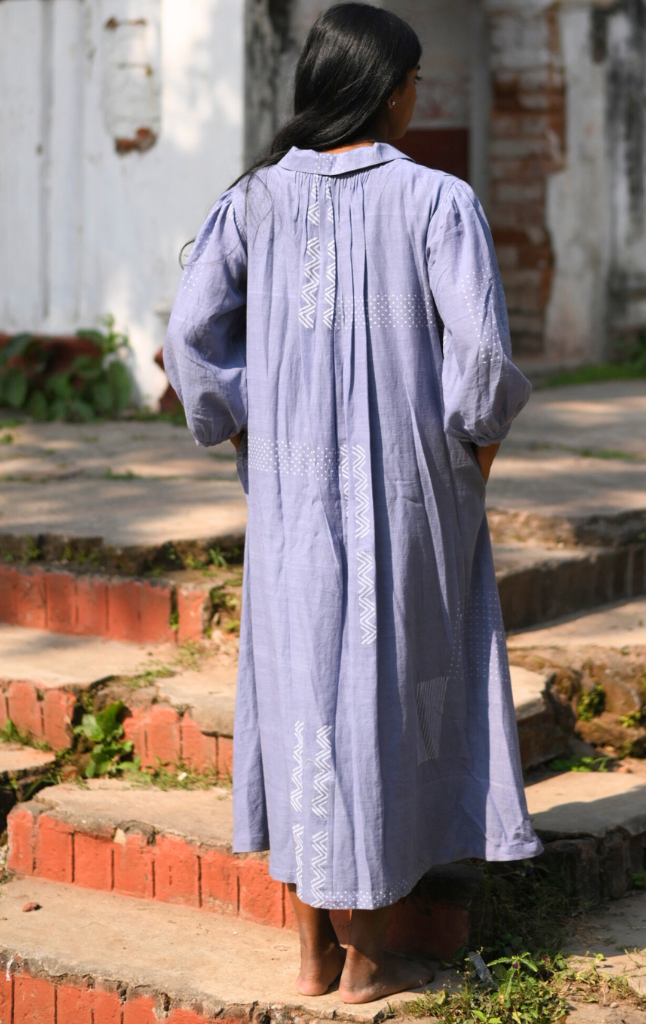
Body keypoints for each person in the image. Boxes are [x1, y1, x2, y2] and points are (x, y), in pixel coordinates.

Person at [164, 1, 542, 1004]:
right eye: (413, 80)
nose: (417, 94)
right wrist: (469, 472)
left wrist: (252, 437)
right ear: (389, 90)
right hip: (412, 495)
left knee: (303, 695)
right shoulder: (437, 201)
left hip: (291, 500)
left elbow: (189, 343)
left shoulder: (251, 200)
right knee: (383, 695)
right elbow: (484, 361)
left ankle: (314, 957)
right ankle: (371, 961)